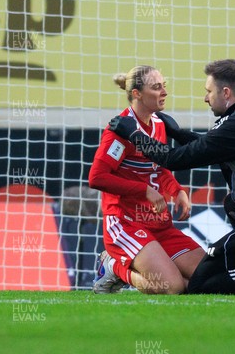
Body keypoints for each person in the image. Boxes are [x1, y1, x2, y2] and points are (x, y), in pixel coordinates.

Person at [108, 59, 235, 295]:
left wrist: (134, 133)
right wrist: (179, 133)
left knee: (201, 285)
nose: (206, 98)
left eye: (209, 92)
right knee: (230, 248)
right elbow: (214, 146)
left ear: (225, 93)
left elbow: (176, 159)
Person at [88, 65, 205, 294]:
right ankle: (113, 267)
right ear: (136, 94)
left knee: (205, 279)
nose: (164, 92)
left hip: (158, 223)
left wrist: (177, 189)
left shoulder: (159, 124)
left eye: (164, 86)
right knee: (172, 288)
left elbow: (158, 167)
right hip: (126, 223)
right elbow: (97, 177)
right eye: (156, 87)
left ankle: (153, 268)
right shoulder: (120, 130)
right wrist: (144, 191)